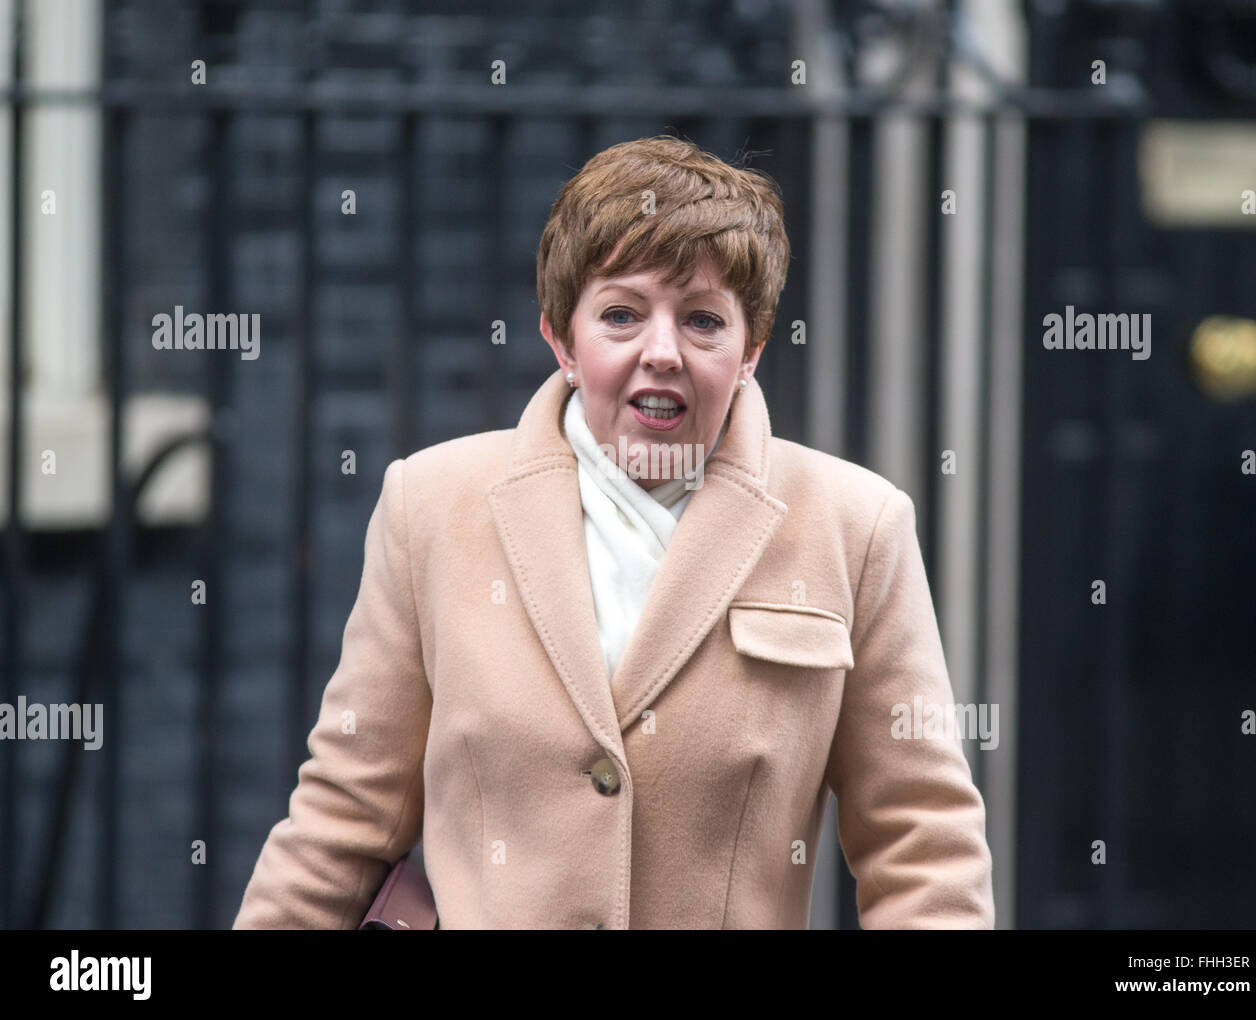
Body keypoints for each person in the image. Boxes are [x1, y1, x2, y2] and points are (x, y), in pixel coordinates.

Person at [233, 135, 995, 929]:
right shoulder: (429, 507)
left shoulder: (856, 527)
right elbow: (342, 820)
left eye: (703, 321)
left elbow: (924, 851)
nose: (660, 352)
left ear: (752, 350)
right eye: (622, 314)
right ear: (561, 339)